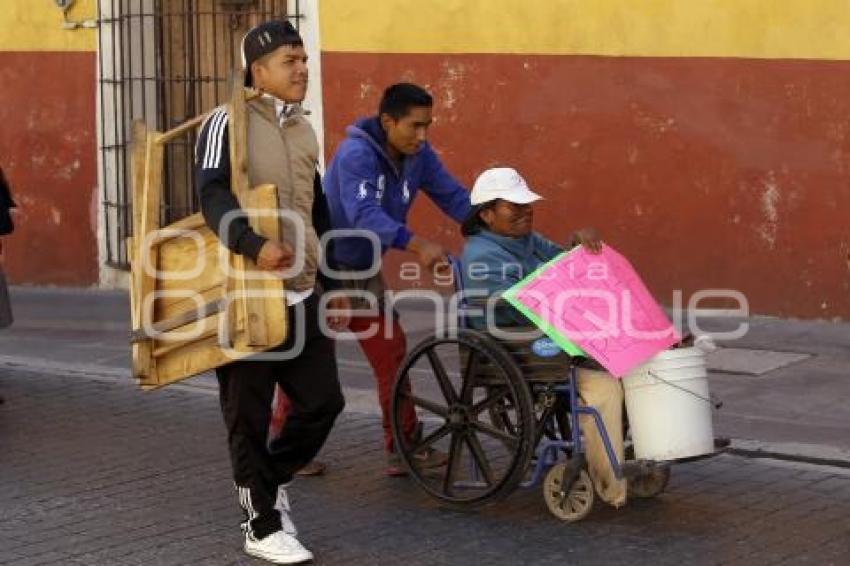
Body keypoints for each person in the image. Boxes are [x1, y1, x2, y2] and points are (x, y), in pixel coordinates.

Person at [194, 20, 347, 564]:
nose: (302, 68)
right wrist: (251, 243)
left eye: (304, 58)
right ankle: (259, 524)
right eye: (290, 60)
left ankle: (268, 481)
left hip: (301, 292)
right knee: (248, 416)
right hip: (245, 292)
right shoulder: (225, 122)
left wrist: (333, 283)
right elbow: (210, 193)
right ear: (258, 71)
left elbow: (318, 210)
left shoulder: (304, 129)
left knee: (324, 403)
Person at [322, 82, 472, 475]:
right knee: (309, 365)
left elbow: (452, 196)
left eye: (428, 126)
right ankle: (288, 446)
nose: (422, 136)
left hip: (363, 270)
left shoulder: (417, 155)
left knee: (391, 353)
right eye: (415, 126)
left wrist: (491, 224)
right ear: (388, 121)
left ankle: (403, 447)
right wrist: (418, 245)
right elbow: (363, 214)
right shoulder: (356, 154)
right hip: (322, 268)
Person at [459, 166, 627, 508]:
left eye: (527, 204)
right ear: (487, 214)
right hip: (522, 345)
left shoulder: (525, 240)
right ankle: (612, 484)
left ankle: (628, 460)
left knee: (636, 363)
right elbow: (514, 311)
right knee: (603, 386)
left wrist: (581, 247)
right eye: (514, 206)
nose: (526, 211)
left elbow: (566, 265)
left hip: (551, 337)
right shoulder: (481, 255)